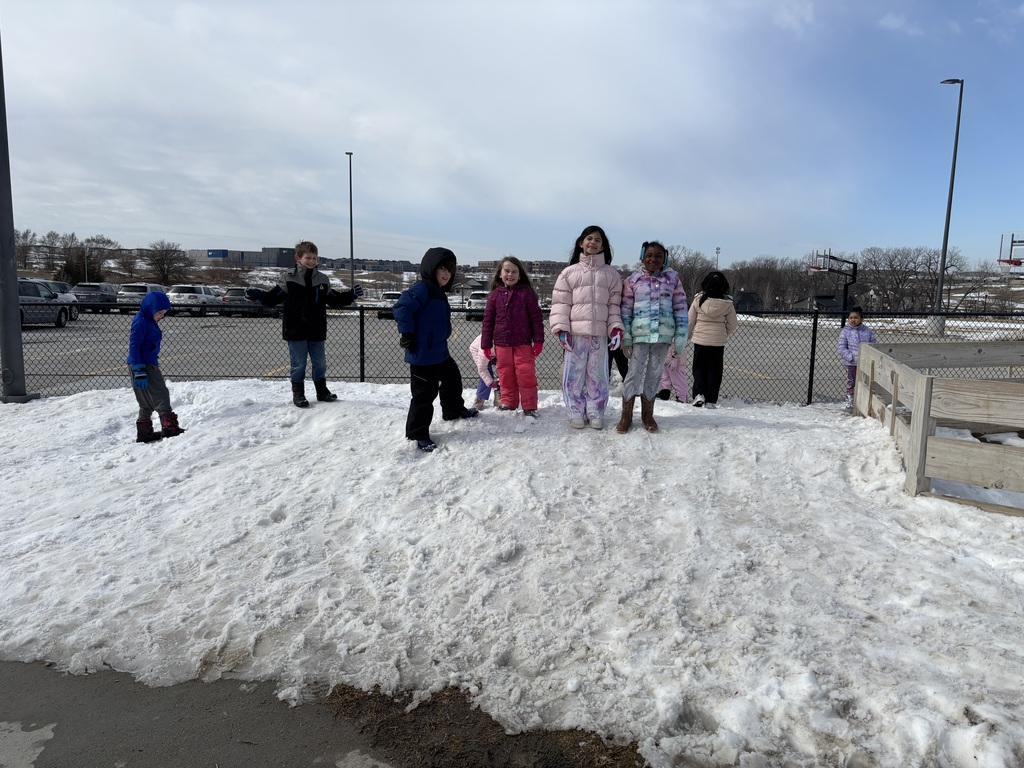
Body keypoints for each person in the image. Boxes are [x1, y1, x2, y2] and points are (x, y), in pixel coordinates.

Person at [246, 240, 363, 408]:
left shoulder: (322, 279)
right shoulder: (288, 278)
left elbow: (334, 300)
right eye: (308, 257)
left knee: (320, 362)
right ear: (298, 258)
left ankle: (322, 391)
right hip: (296, 329)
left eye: (315, 258)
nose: (312, 261)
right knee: (298, 363)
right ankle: (298, 394)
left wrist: (351, 295)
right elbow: (273, 299)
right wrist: (256, 294)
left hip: (317, 329)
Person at [394, 247, 478, 452]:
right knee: (424, 395)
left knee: (452, 378)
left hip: (439, 352)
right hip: (422, 355)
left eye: (450, 269)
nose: (446, 273)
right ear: (430, 268)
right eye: (442, 268)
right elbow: (402, 307)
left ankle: (453, 410)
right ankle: (417, 434)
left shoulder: (439, 293)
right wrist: (406, 333)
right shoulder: (422, 288)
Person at [549, 225, 624, 430]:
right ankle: (575, 410)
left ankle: (595, 411)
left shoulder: (611, 275)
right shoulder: (569, 273)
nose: (593, 242)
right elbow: (560, 305)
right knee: (574, 375)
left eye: (598, 240)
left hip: (600, 335)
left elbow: (614, 306)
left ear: (603, 246)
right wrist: (561, 329)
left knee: (598, 375)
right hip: (575, 335)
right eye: (589, 238)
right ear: (581, 243)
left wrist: (615, 328)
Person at [616, 240, 688, 433]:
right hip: (639, 336)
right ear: (643, 257)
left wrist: (680, 338)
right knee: (633, 374)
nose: (653, 259)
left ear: (664, 259)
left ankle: (648, 415)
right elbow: (626, 311)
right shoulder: (633, 280)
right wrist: (627, 337)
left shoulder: (673, 280)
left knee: (654, 375)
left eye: (658, 256)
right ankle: (626, 415)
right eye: (649, 255)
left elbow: (681, 310)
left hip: (662, 337)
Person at [480, 256, 545, 416]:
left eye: (514, 271)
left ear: (520, 274)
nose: (510, 274)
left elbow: (536, 318)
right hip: (502, 343)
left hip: (523, 343)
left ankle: (529, 406)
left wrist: (538, 340)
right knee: (505, 374)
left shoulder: (526, 294)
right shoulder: (495, 295)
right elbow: (488, 321)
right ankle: (509, 402)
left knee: (526, 374)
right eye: (507, 271)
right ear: (500, 274)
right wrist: (486, 344)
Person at [126, 290, 185, 442]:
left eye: (165, 313)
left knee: (145, 400)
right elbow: (134, 344)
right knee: (161, 394)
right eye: (159, 313)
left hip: (142, 363)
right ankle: (169, 427)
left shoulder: (147, 320)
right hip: (144, 364)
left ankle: (144, 432)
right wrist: (138, 367)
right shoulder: (141, 321)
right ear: (150, 308)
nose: (162, 316)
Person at [687, 270, 738, 409]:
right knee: (714, 370)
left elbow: (690, 320)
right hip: (718, 342)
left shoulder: (698, 300)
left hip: (700, 339)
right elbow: (733, 324)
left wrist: (688, 336)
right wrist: (723, 334)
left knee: (698, 368)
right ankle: (711, 399)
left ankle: (698, 394)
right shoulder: (727, 303)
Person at [837, 306, 877, 411]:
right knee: (851, 382)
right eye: (851, 318)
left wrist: (868, 357)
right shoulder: (845, 331)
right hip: (850, 363)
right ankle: (849, 400)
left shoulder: (867, 331)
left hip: (864, 362)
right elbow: (841, 347)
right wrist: (850, 357)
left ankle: (863, 401)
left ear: (861, 319)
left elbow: (873, 345)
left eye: (856, 317)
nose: (853, 320)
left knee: (865, 382)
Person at [469, 334, 499, 409]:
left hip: (495, 352)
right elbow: (482, 369)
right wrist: (490, 382)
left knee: (503, 371)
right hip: (477, 350)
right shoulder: (484, 350)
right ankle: (480, 398)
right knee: (487, 375)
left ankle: (501, 397)